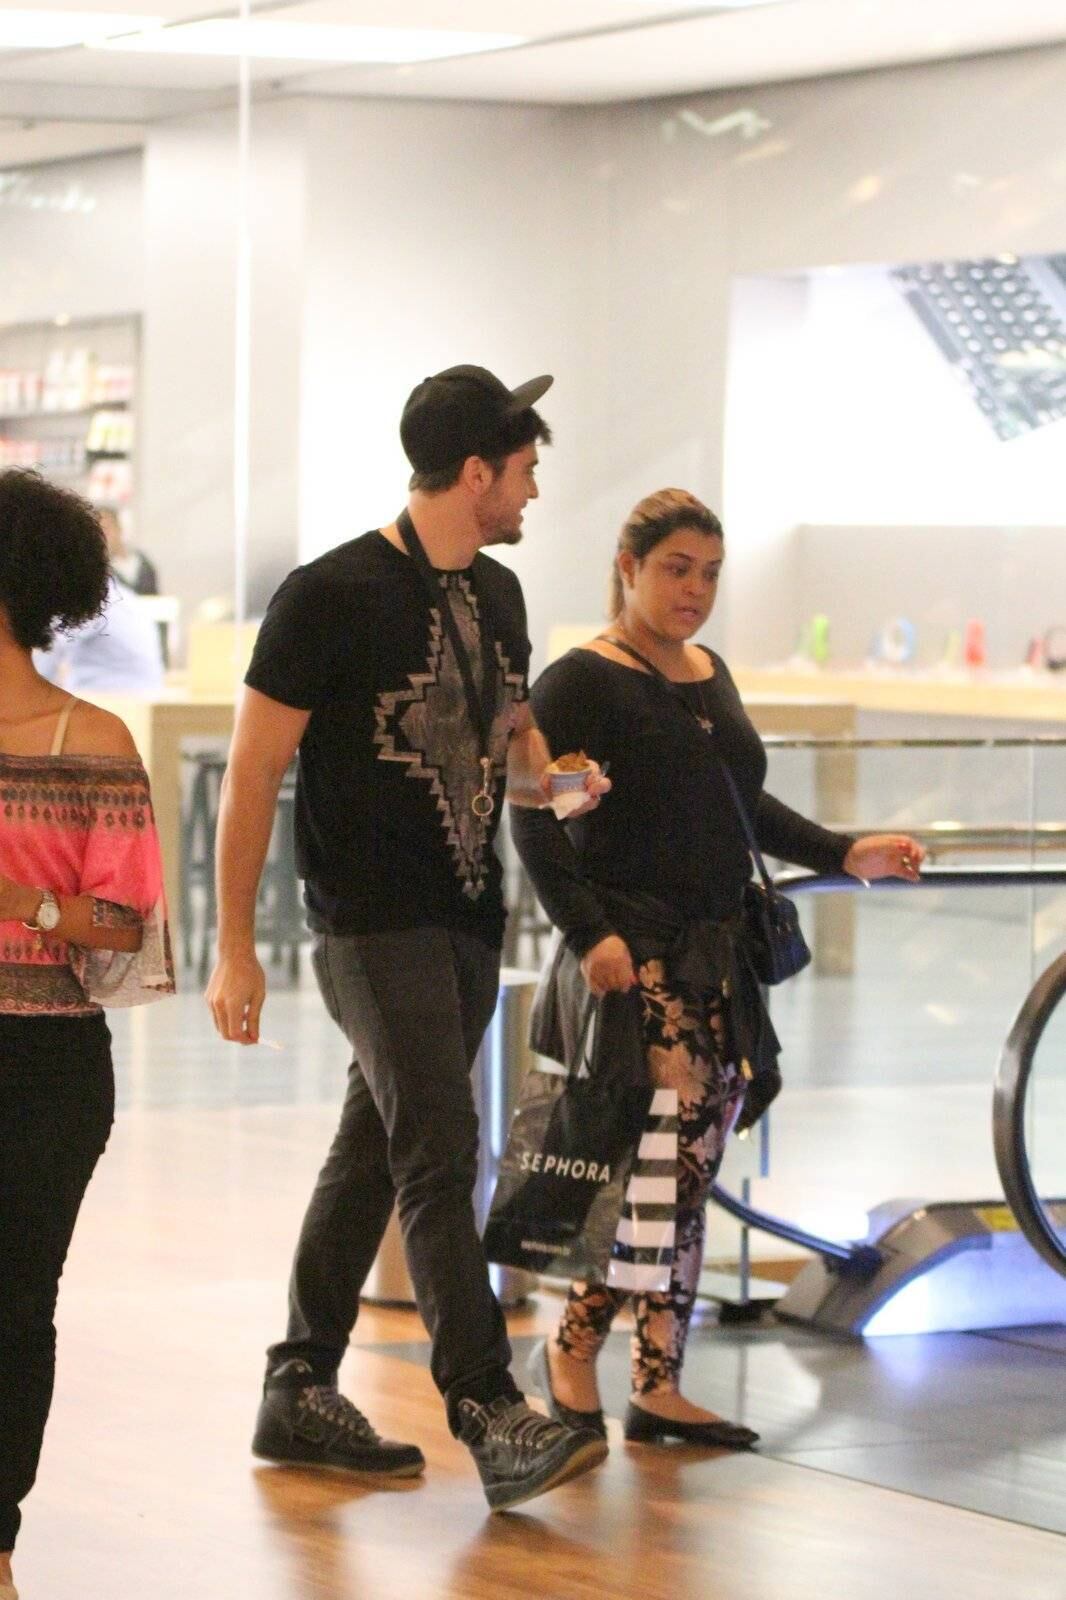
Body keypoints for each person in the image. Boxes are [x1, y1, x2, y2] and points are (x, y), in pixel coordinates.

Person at [205, 365, 610, 1512]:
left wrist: (557, 784)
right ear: (474, 472)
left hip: (468, 916)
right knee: (438, 1144)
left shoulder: (505, 596)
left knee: (377, 1145)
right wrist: (236, 945)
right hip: (367, 921)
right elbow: (251, 773)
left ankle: (297, 1385)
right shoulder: (327, 593)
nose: (533, 491)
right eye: (523, 470)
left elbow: (514, 757)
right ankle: (486, 1404)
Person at [511, 488, 925, 1449]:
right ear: (628, 567)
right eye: (674, 569)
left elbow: (748, 808)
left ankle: (658, 1381)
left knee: (685, 1169)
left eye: (708, 573)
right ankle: (573, 1350)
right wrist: (588, 934)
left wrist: (843, 850)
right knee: (670, 1163)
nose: (694, 590)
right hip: (639, 954)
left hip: (717, 949)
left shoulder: (708, 671)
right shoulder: (584, 680)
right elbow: (538, 813)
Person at [0, 470, 175, 1600]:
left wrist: (23, 904)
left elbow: (127, 927)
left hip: (42, 1064)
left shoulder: (90, 738)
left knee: (15, 1301)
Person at [34, 570, 165, 695]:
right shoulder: (122, 595)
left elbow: (52, 649)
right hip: (141, 693)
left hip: (112, 697)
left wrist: (32, 688)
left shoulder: (91, 600)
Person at [99, 507, 159, 596]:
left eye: (107, 529)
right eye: (100, 531)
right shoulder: (100, 570)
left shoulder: (143, 563)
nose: (104, 535)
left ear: (119, 528)